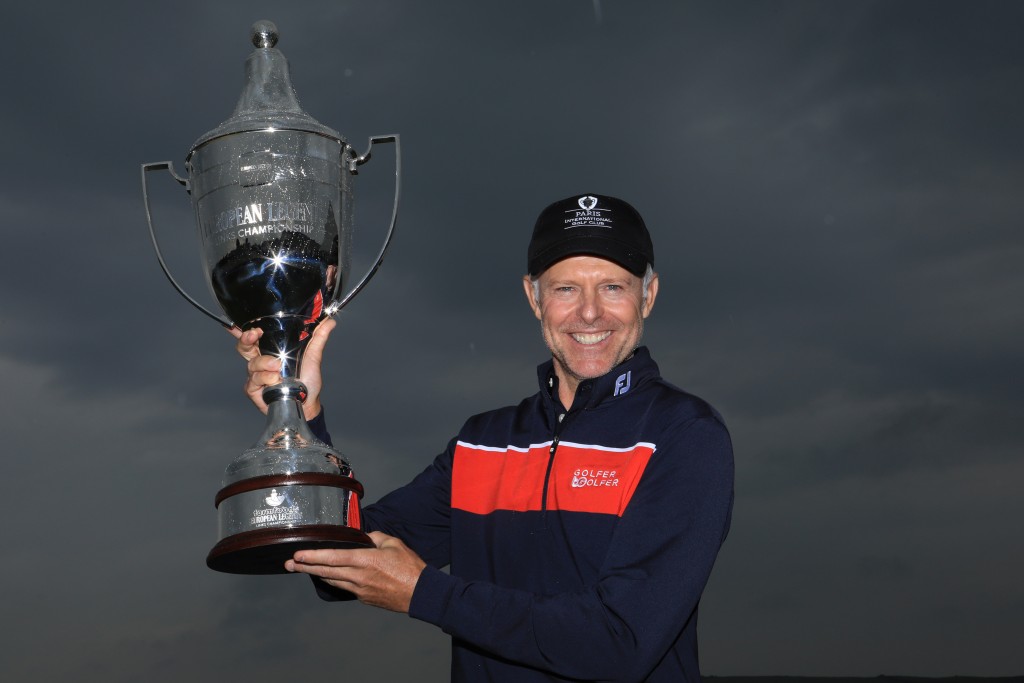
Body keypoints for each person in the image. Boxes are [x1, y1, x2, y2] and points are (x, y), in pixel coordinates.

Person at [234, 193, 734, 682]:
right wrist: (302, 416)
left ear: (648, 295)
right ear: (532, 296)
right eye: (565, 289)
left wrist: (424, 593)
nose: (588, 314)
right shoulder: (483, 441)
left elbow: (618, 644)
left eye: (612, 288)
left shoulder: (684, 433)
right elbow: (334, 560)